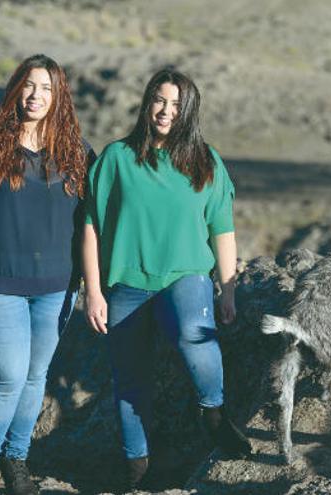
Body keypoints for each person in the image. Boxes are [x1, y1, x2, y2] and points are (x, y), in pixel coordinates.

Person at [82, 68, 251, 489]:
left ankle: (212, 413)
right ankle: (137, 469)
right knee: (129, 379)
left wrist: (227, 288)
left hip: (185, 277)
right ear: (146, 102)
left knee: (196, 333)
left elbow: (222, 228)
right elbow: (90, 226)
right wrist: (93, 290)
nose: (166, 111)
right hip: (126, 284)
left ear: (189, 112)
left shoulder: (205, 161)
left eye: (177, 105)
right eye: (160, 100)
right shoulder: (117, 158)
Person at [0, 54, 95, 495]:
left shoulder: (77, 154)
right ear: (17, 90)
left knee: (35, 377)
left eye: (47, 89)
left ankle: (17, 462)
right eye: (30, 86)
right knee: (8, 376)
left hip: (57, 288)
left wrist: (93, 285)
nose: (37, 96)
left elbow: (93, 225)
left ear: (59, 98)